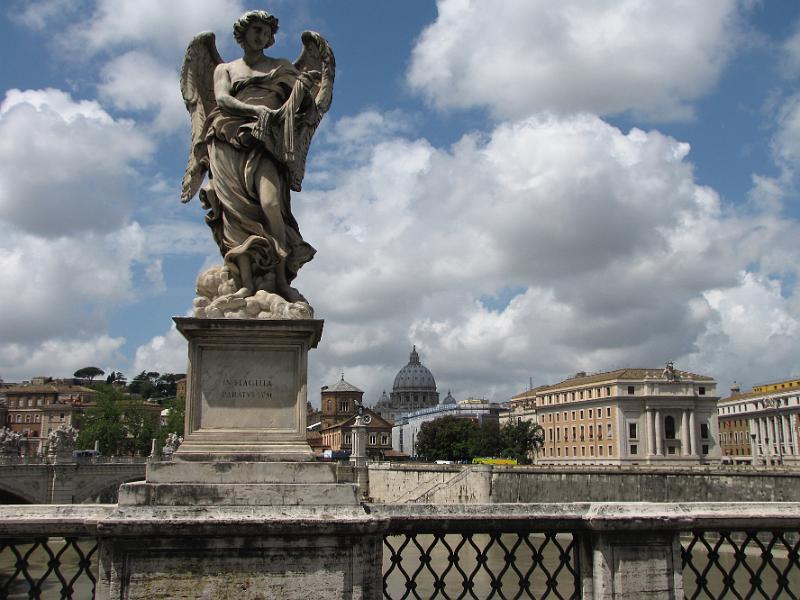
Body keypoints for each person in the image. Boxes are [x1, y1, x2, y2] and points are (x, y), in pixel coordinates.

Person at [185, 10, 332, 305]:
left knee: (271, 205)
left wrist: (303, 90)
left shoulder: (282, 67)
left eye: (265, 32)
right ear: (242, 34)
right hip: (227, 139)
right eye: (255, 30)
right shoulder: (225, 69)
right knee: (234, 214)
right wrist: (256, 111)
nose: (260, 36)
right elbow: (222, 99)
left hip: (267, 143)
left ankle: (279, 280)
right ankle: (246, 284)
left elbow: (304, 108)